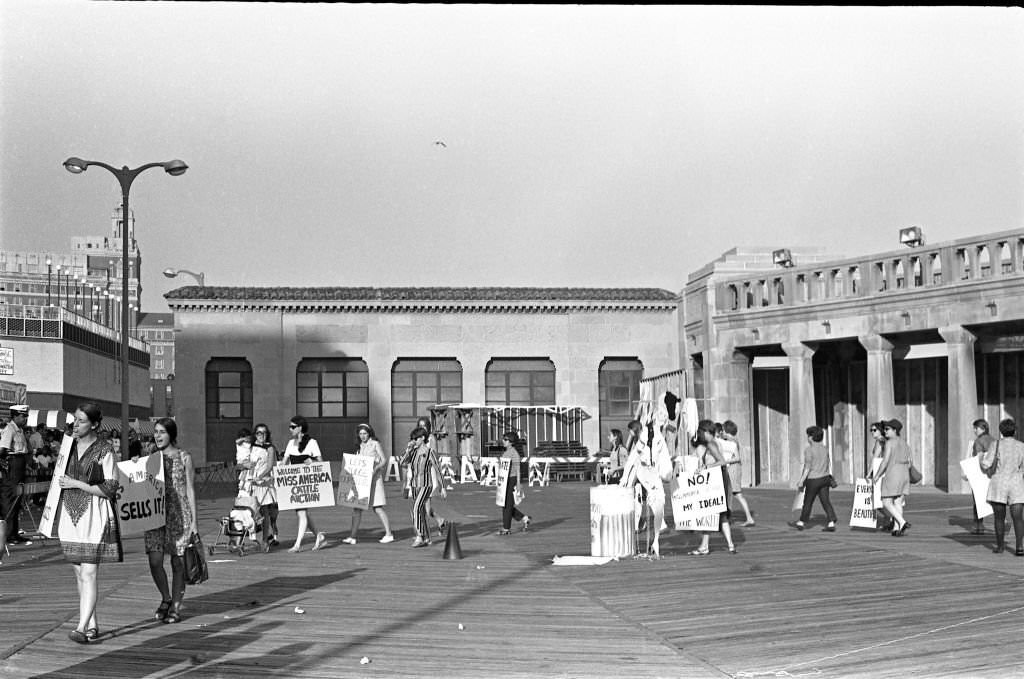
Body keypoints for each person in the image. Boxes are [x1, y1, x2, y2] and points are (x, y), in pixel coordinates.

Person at [55, 403, 123, 643]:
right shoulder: (68, 447)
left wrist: (77, 484)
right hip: (70, 516)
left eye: (81, 421)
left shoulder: (104, 449)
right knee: (79, 574)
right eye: (75, 419)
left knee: (89, 573)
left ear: (94, 424)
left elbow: (111, 487)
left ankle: (82, 627)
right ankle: (92, 623)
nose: (76, 424)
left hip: (95, 514)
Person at [144, 418, 197, 624]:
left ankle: (175, 606)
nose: (157, 436)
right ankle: (166, 598)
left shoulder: (184, 457)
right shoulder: (151, 458)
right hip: (155, 514)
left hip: (179, 514)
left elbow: (190, 490)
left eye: (162, 432)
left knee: (177, 562)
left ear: (171, 434)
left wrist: (195, 522)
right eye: (155, 432)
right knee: (155, 560)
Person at [620, 420, 672, 557]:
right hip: (651, 472)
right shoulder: (653, 437)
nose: (629, 434)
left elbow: (633, 459)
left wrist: (625, 479)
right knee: (652, 499)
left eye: (630, 431)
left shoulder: (645, 438)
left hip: (648, 471)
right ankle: (654, 533)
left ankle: (653, 531)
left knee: (651, 498)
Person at [341, 424, 394, 545]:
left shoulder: (375, 444)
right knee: (357, 508)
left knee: (377, 507)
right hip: (362, 480)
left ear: (369, 433)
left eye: (365, 433)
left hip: (375, 479)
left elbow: (384, 460)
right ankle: (352, 536)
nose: (363, 436)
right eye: (360, 434)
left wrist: (375, 469)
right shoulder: (360, 446)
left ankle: (389, 534)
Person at [689, 419, 736, 555]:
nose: (700, 434)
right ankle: (730, 545)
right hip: (720, 479)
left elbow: (722, 461)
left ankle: (704, 546)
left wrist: (706, 467)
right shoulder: (714, 443)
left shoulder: (711, 444)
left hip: (716, 482)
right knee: (721, 515)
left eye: (701, 432)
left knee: (709, 512)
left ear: (706, 432)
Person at [978, 418, 1024, 555]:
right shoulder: (1022, 446)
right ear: (1015, 431)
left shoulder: (995, 444)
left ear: (1001, 432)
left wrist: (980, 458)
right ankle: (1020, 547)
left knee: (999, 518)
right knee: (1018, 517)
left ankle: (1000, 546)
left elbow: (986, 464)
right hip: (1016, 484)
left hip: (999, 484)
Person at [282, 415, 326, 552]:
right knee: (303, 513)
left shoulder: (312, 442)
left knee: (302, 513)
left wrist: (312, 461)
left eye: (293, 427)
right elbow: (284, 463)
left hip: (307, 483)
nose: (290, 429)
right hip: (294, 484)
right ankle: (319, 536)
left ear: (300, 427)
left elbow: (322, 463)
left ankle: (297, 545)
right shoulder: (290, 443)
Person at [402, 426, 445, 546]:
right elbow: (402, 463)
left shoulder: (429, 452)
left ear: (423, 438)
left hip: (426, 485)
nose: (414, 441)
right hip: (415, 485)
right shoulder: (413, 451)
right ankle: (428, 538)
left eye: (416, 438)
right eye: (412, 439)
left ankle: (420, 535)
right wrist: (408, 450)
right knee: (421, 511)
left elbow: (438, 469)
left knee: (416, 508)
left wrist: (443, 487)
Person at [793, 425, 838, 532]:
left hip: (813, 479)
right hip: (825, 478)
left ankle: (802, 521)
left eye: (808, 435)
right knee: (825, 501)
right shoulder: (825, 449)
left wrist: (801, 481)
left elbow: (807, 467)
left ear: (811, 437)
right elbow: (828, 463)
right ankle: (831, 522)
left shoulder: (809, 450)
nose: (807, 438)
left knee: (808, 501)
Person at [0, 404, 32, 545]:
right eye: (22, 416)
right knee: (9, 500)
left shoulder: (20, 430)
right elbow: (2, 449)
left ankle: (14, 533)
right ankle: (7, 535)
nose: (25, 419)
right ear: (15, 416)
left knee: (17, 500)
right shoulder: (10, 429)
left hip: (19, 464)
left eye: (26, 416)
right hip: (12, 465)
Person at [876, 419, 911, 536]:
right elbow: (910, 462)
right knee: (898, 502)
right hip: (904, 473)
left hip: (894, 472)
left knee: (886, 501)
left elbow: (885, 461)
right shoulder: (905, 443)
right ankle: (897, 528)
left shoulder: (890, 442)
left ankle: (902, 522)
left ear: (895, 430)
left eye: (887, 429)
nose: (884, 431)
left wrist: (877, 475)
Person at [249, 424, 279, 549]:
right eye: (259, 433)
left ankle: (265, 539)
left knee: (265, 511)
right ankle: (259, 535)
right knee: (253, 510)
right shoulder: (251, 447)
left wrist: (260, 477)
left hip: (264, 482)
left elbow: (270, 465)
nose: (262, 435)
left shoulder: (270, 448)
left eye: (264, 433)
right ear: (255, 434)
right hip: (252, 482)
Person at [719, 420, 755, 526]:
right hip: (734, 470)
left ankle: (746, 518)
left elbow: (737, 457)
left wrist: (725, 462)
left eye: (723, 430)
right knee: (732, 494)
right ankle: (729, 518)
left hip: (733, 470)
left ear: (726, 430)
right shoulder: (733, 440)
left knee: (736, 494)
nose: (722, 433)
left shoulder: (732, 442)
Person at [496, 431, 530, 535]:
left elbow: (518, 469)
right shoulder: (506, 452)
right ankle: (524, 518)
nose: (503, 441)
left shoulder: (514, 453)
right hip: (505, 480)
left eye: (505, 439)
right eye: (503, 439)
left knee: (507, 504)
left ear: (511, 442)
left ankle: (506, 528)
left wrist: (519, 483)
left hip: (512, 479)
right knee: (505, 503)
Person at [969, 419, 995, 535]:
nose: (974, 430)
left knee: (978, 500)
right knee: (996, 501)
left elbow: (978, 457)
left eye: (976, 428)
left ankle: (978, 526)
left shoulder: (978, 441)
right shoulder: (994, 440)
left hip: (981, 472)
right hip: (993, 473)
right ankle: (1002, 522)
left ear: (983, 428)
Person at [865, 421, 891, 530]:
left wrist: (869, 473)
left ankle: (890, 518)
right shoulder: (886, 441)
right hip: (889, 471)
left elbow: (875, 458)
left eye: (874, 430)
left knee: (877, 499)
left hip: (880, 472)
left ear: (880, 430)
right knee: (886, 499)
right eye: (871, 430)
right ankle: (889, 520)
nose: (872, 432)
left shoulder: (880, 441)